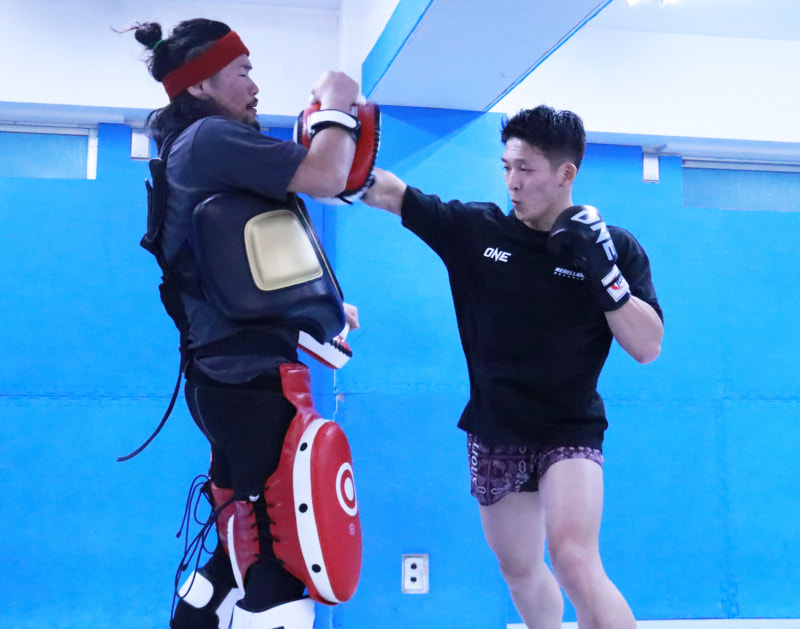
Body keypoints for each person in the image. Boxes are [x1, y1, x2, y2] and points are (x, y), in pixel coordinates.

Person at [361, 105, 663, 628]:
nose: (512, 182)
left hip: (570, 426)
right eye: (506, 167)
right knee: (519, 567)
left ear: (566, 173)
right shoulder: (476, 230)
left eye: (526, 169)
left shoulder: (614, 247)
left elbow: (647, 346)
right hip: (496, 425)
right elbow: (392, 193)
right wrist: (333, 158)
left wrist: (605, 275)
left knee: (574, 559)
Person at [129, 18, 362, 629]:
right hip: (250, 384)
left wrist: (318, 306)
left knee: (239, 549)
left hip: (226, 380)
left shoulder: (195, 148)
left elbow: (236, 262)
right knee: (278, 564)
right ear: (200, 84)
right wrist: (338, 107)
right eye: (243, 71)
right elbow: (329, 175)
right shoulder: (211, 138)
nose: (256, 85)